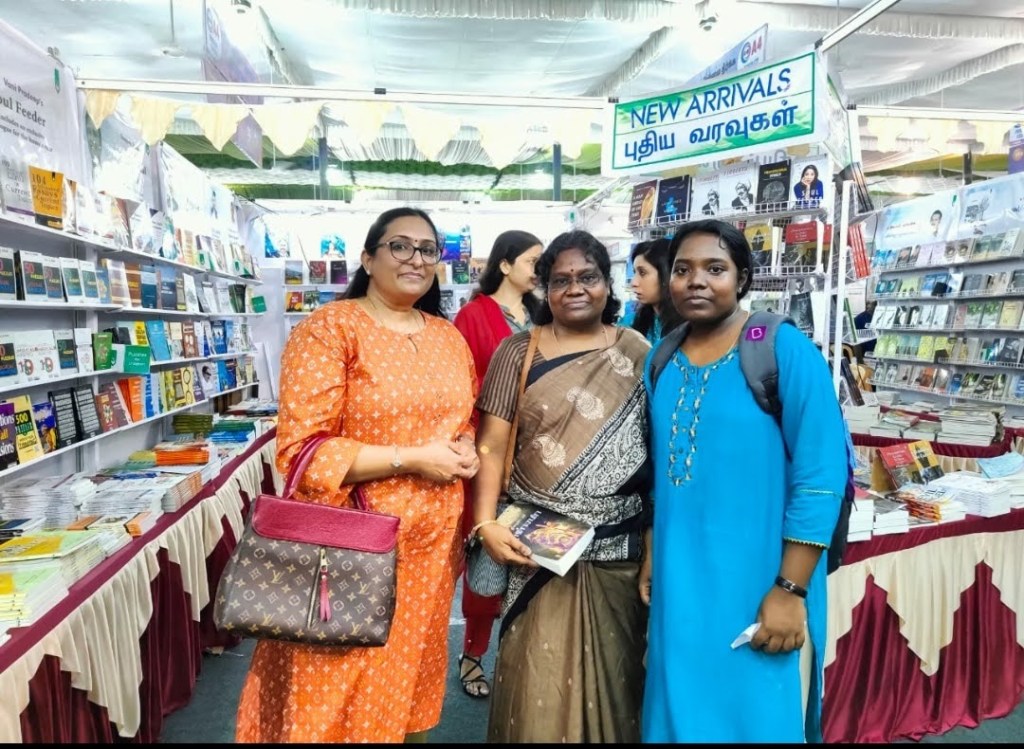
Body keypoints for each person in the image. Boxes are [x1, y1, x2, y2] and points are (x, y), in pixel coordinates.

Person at [234, 207, 481, 744]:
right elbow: (301, 451)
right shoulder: (330, 329)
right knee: (335, 690)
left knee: (408, 681)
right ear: (368, 258)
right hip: (351, 552)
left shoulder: (447, 337)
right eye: (400, 246)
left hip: (431, 551)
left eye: (428, 249)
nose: (416, 259)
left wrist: (465, 448)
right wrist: (412, 458)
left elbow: (460, 419)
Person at [641, 219, 848, 743]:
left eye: (715, 268)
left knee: (755, 719)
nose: (696, 281)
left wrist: (789, 590)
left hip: (760, 585)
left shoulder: (781, 349)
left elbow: (821, 477)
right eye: (682, 270)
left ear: (743, 278)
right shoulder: (661, 359)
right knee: (676, 711)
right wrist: (651, 554)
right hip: (679, 586)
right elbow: (660, 476)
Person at [472, 230, 651, 743]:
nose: (575, 288)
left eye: (587, 277)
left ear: (607, 284)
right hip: (536, 548)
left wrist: (652, 543)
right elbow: (491, 446)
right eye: (560, 280)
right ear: (544, 289)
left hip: (617, 550)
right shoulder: (517, 352)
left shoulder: (637, 352)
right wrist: (484, 523)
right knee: (537, 683)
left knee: (617, 682)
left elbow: (656, 456)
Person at [451, 229, 543, 699]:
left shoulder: (542, 315)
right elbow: (460, 386)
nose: (539, 270)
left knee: (531, 555)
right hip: (489, 451)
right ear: (505, 264)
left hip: (538, 457)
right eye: (532, 261)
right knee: (486, 554)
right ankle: (472, 653)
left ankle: (517, 653)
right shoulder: (474, 315)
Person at [619, 238, 684, 345]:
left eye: (642, 273)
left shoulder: (692, 327)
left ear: (666, 274)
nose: (634, 283)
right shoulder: (628, 325)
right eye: (635, 272)